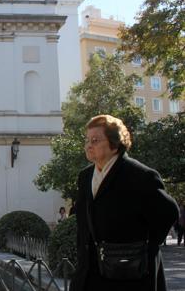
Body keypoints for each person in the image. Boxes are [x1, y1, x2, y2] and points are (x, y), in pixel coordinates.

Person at [71, 115, 178, 291]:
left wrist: (145, 248)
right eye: (87, 140)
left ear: (114, 143)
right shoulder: (85, 177)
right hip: (90, 275)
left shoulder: (140, 175)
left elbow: (169, 212)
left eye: (95, 140)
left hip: (130, 275)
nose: (89, 145)